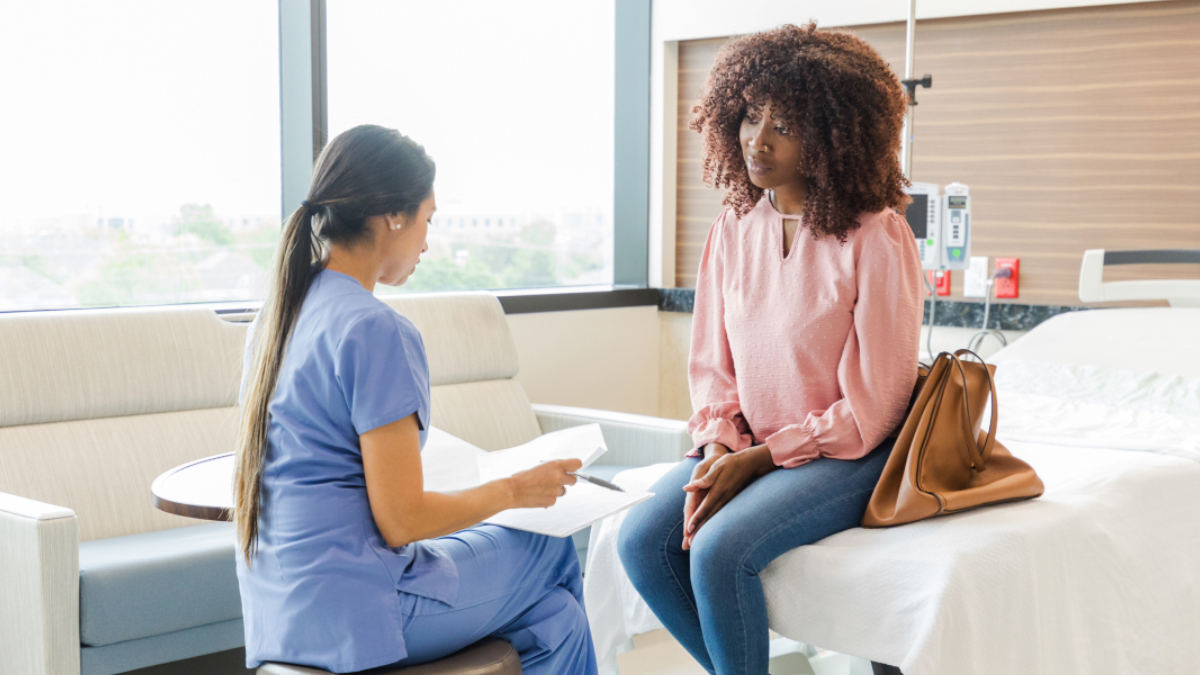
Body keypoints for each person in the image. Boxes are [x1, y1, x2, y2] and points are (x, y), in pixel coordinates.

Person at [233, 124, 598, 675]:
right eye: (428, 219)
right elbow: (401, 519)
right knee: (551, 549)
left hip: (280, 610)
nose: (427, 241)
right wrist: (517, 490)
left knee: (557, 619)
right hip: (361, 609)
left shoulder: (277, 315)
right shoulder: (375, 329)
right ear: (393, 217)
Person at [617, 24, 923, 675]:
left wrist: (762, 459)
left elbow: (877, 403)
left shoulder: (878, 236)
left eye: (784, 124)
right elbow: (712, 366)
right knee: (642, 540)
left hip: (852, 452)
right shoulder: (733, 227)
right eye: (751, 116)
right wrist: (722, 443)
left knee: (720, 547)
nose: (758, 138)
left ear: (834, 133)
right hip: (757, 442)